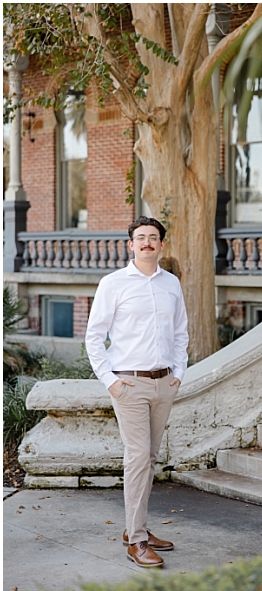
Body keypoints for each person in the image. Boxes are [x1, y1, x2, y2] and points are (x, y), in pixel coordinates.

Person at [85, 216, 189, 568]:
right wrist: (110, 380)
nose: (147, 243)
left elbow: (180, 332)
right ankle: (137, 543)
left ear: (161, 245)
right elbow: (94, 337)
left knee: (149, 459)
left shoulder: (171, 283)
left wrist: (179, 372)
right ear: (131, 245)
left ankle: (135, 529)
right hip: (128, 384)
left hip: (164, 384)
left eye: (153, 238)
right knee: (138, 458)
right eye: (140, 237)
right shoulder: (113, 284)